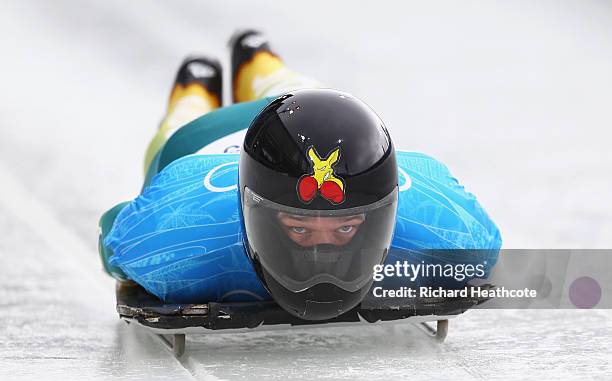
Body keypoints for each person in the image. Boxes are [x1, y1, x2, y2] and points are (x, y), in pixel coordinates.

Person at [99, 30, 502, 321]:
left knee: (296, 94)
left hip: (304, 119)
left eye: (344, 229)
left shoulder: (449, 232)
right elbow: (116, 235)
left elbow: (113, 233)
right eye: (300, 229)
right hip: (205, 139)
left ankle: (249, 69)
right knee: (183, 126)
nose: (320, 259)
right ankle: (218, 83)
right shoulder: (179, 228)